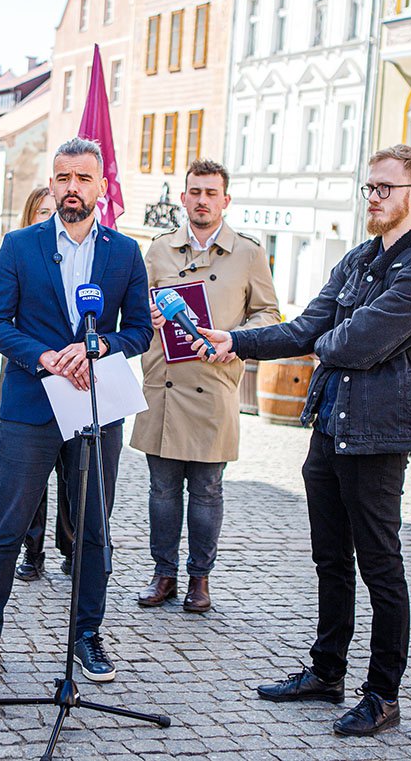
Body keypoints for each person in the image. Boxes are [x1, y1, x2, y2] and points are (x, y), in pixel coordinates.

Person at [194, 145, 411, 737]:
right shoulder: (359, 259)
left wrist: (327, 339)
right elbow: (311, 327)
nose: (374, 198)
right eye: (370, 188)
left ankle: (382, 694)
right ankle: (326, 671)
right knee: (330, 559)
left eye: (385, 189)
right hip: (331, 425)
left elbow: (351, 343)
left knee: (381, 566)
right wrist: (236, 340)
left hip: (381, 436)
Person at [0, 138, 153, 683]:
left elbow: (138, 330)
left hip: (96, 405)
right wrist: (43, 356)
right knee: (9, 522)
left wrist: (99, 347)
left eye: (83, 179)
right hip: (30, 406)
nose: (72, 188)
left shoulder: (124, 252)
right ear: (52, 183)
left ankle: (88, 635)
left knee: (93, 527)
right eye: (63, 178)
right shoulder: (20, 245)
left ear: (101, 187)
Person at [130, 159, 280, 613]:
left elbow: (269, 315)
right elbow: (136, 314)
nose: (202, 200)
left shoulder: (249, 253)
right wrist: (149, 318)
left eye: (211, 193)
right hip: (165, 387)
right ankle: (163, 573)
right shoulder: (158, 251)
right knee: (161, 490)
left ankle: (200, 578)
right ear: (183, 198)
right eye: (195, 191)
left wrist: (237, 341)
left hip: (214, 384)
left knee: (208, 489)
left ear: (225, 200)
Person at [6, 186, 75, 582]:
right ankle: (32, 551)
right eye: (42, 212)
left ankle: (70, 545)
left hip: (75, 379)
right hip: (30, 376)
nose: (51, 217)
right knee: (31, 478)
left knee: (71, 472)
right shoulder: (18, 253)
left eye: (55, 210)